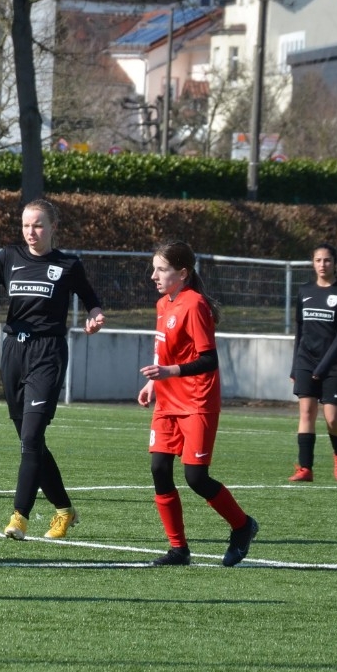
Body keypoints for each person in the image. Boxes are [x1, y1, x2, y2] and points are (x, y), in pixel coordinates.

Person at [0, 199, 105, 541]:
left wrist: (95, 316)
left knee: (31, 439)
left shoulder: (67, 264)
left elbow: (91, 300)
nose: (31, 231)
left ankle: (19, 517)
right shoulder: (10, 256)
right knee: (30, 442)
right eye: (26, 225)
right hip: (14, 351)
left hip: (47, 354)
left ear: (53, 227)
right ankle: (65, 511)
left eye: (38, 225)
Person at [138, 240, 258, 567]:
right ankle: (179, 550)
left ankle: (243, 526)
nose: (154, 276)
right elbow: (164, 350)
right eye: (154, 269)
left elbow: (208, 360)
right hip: (167, 400)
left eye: (161, 269)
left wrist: (169, 372)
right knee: (159, 469)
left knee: (196, 478)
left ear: (183, 273)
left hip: (196, 402)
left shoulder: (195, 305)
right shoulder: (163, 304)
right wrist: (153, 382)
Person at [289, 242, 337, 482]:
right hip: (306, 360)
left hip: (334, 364)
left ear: (335, 263)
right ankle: (305, 468)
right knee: (307, 412)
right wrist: (295, 366)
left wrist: (323, 367)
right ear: (312, 263)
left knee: (332, 418)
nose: (322, 264)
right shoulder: (304, 291)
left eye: (327, 260)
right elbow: (300, 330)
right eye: (318, 260)